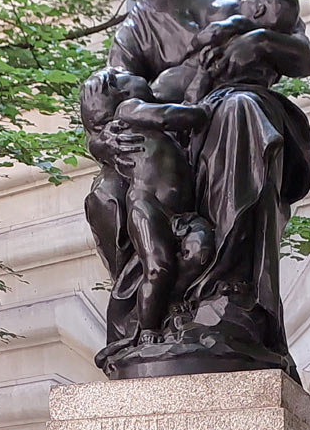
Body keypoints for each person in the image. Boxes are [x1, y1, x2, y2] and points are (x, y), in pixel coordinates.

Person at [89, 0, 310, 379]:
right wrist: (109, 143)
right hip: (176, 148)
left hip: (252, 122)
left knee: (236, 109)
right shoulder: (134, 30)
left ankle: (232, 297)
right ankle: (166, 305)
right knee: (105, 194)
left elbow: (305, 59)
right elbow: (106, 111)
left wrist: (257, 45)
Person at [80, 67, 212, 343]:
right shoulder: (129, 109)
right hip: (147, 206)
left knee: (197, 252)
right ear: (122, 91)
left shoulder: (132, 110)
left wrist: (203, 77)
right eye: (124, 74)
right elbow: (173, 115)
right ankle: (149, 328)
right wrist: (201, 113)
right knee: (157, 265)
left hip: (181, 213)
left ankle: (172, 301)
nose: (135, 73)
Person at [149, 0, 302, 105]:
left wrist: (194, 44)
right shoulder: (266, 56)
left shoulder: (239, 22)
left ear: (259, 9)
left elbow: (211, 32)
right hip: (189, 86)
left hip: (184, 83)